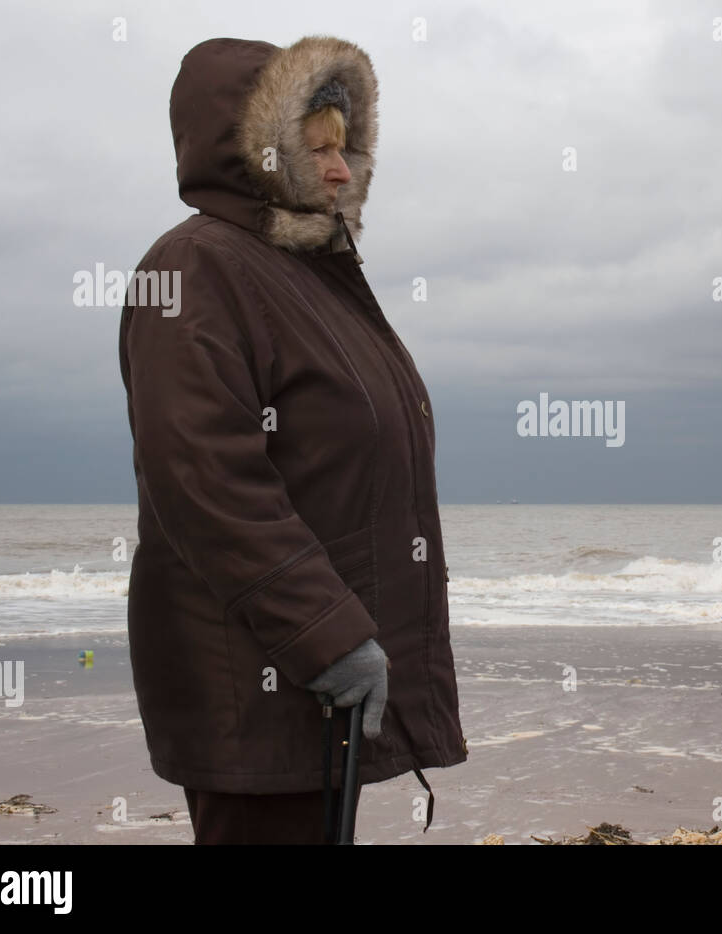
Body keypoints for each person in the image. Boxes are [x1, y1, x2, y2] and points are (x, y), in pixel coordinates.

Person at [118, 35, 467, 844]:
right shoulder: (195, 269)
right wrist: (328, 637)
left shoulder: (307, 278)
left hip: (308, 686)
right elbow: (206, 479)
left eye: (347, 151)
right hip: (254, 681)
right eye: (318, 150)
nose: (343, 172)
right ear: (259, 153)